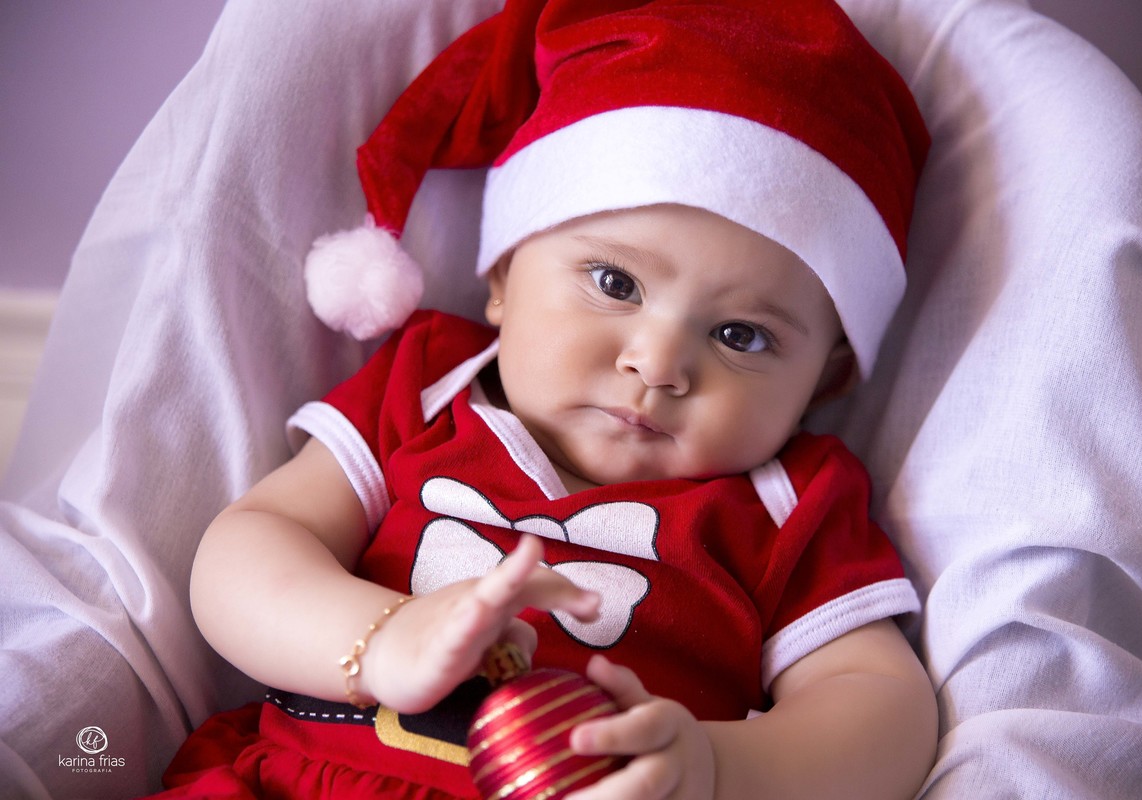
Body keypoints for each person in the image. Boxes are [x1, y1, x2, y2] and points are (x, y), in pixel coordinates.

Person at [152, 0, 935, 797]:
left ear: (825, 381)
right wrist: (379, 639)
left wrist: (717, 767)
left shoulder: (789, 505)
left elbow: (884, 709)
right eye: (615, 284)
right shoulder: (424, 387)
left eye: (741, 336)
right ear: (502, 276)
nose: (657, 363)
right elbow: (249, 549)